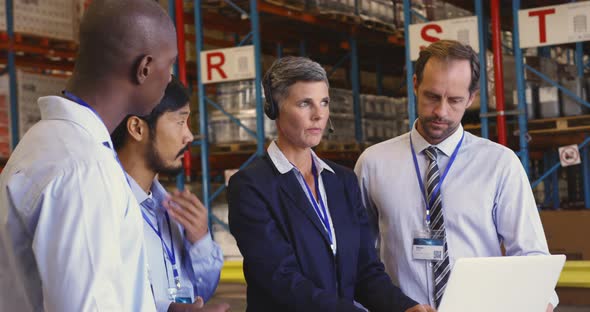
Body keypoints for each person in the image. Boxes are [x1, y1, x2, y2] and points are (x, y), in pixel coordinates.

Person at [354, 40, 558, 311]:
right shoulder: (373, 163)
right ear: (415, 84)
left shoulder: (499, 164)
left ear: (472, 97)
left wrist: (538, 298)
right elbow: (357, 255)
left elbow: (530, 253)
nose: (441, 111)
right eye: (432, 96)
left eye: (455, 100)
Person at [0, 1, 177, 311]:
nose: (171, 77)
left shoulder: (47, 142)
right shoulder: (83, 169)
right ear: (144, 68)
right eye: (170, 63)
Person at [227, 56, 434, 312]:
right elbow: (279, 279)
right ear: (275, 108)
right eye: (305, 103)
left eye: (324, 102)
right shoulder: (250, 186)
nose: (318, 115)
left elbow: (365, 271)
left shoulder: (343, 181)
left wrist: (404, 307)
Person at [111, 77, 229, 312]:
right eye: (180, 121)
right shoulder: (108, 207)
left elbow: (200, 293)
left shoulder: (169, 208)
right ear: (137, 128)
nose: (189, 136)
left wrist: (200, 240)